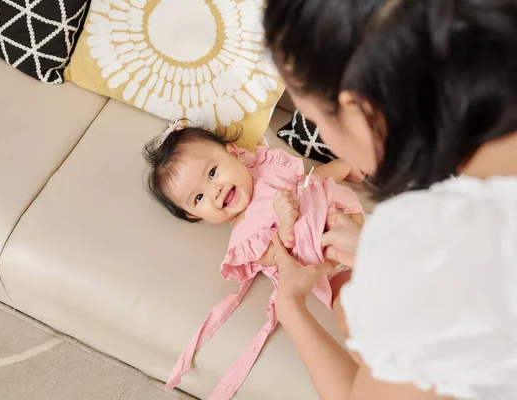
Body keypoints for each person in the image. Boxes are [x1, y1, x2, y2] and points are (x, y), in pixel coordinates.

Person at [265, 0, 517, 399]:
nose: (323, 137)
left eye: (315, 120)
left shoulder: (421, 244)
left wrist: (293, 307)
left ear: (360, 110)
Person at [143, 121, 365, 398]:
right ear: (193, 215)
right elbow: (279, 254)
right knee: (353, 315)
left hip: (353, 224)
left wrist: (346, 166)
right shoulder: (244, 237)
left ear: (234, 153)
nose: (216, 191)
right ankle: (377, 371)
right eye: (198, 197)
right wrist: (285, 223)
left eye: (213, 172)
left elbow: (312, 177)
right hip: (333, 268)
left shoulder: (268, 168)